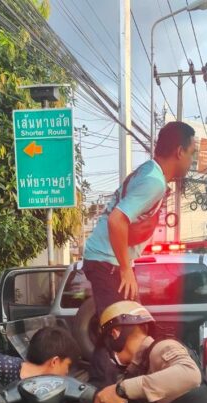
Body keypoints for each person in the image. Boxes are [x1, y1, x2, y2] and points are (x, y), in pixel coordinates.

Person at [82, 121, 197, 384]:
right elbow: (117, 220)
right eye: (191, 153)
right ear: (179, 151)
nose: (191, 161)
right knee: (119, 331)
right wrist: (125, 269)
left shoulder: (150, 172)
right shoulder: (153, 182)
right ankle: (102, 391)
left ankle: (111, 386)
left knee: (122, 326)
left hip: (107, 259)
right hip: (107, 261)